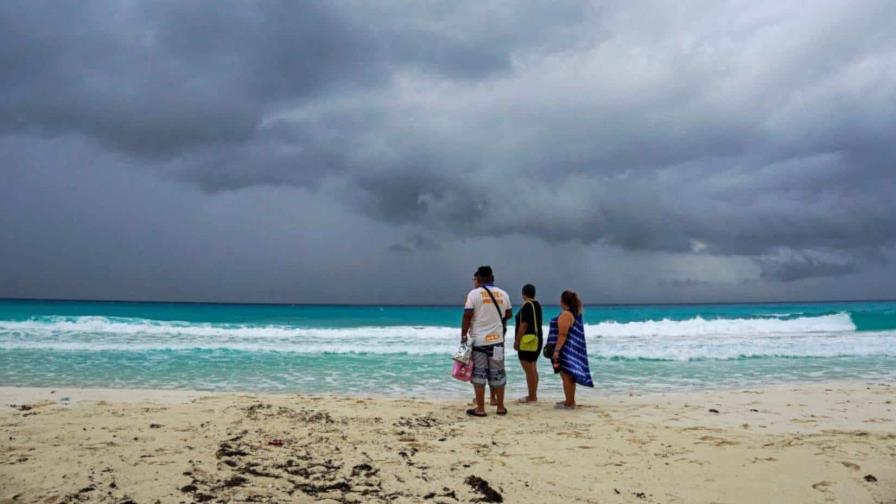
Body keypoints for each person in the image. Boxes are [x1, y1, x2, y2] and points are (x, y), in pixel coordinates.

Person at [461, 265, 512, 417]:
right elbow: (508, 314)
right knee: (498, 373)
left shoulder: (474, 294)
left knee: (479, 375)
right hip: (497, 341)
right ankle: (501, 407)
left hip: (479, 342)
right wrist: (494, 319)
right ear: (492, 277)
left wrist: (463, 335)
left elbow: (467, 315)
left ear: (479, 278)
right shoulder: (503, 294)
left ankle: (481, 408)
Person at [547, 290, 593, 409]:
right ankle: (570, 400)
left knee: (566, 376)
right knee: (569, 376)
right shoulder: (575, 314)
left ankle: (569, 403)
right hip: (571, 349)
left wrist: (556, 351)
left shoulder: (566, 315)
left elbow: (563, 334)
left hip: (565, 350)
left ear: (563, 301)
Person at [514, 283, 543, 403]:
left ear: (523, 294)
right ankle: (533, 395)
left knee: (529, 369)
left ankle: (532, 396)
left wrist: (517, 340)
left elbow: (524, 325)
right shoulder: (537, 305)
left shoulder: (526, 306)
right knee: (533, 368)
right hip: (537, 339)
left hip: (527, 340)